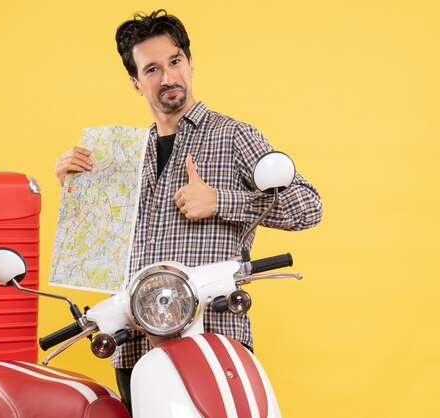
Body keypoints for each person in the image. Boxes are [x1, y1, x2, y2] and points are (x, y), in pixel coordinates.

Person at [55, 9, 323, 413]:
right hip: (135, 345)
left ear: (190, 63)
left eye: (175, 61)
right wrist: (76, 189)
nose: (168, 78)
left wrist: (222, 201)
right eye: (152, 69)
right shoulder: (121, 155)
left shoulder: (234, 136)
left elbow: (308, 207)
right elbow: (102, 248)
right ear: (135, 82)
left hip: (214, 335)